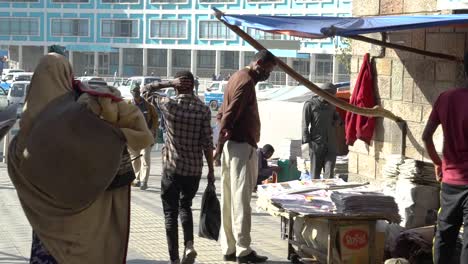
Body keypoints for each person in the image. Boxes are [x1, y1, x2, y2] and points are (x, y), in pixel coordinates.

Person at [7, 53, 153, 263]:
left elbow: (17, 170)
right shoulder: (84, 115)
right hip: (84, 228)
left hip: (45, 230)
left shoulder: (22, 140)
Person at [142, 71, 214, 264]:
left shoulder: (169, 104)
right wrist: (212, 172)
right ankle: (189, 244)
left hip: (172, 168)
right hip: (194, 170)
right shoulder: (203, 109)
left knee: (169, 213)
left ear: (176, 86)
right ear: (193, 86)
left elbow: (145, 91)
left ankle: (174, 259)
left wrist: (168, 82)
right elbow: (207, 143)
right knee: (186, 206)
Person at [214, 50, 276, 263]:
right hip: (241, 147)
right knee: (241, 200)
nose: (266, 75)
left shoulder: (235, 76)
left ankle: (229, 247)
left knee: (229, 199)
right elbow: (229, 114)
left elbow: (222, 112)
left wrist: (220, 146)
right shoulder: (247, 81)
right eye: (267, 70)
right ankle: (243, 249)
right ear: (259, 63)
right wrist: (219, 145)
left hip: (233, 146)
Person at [422, 53, 468, 264]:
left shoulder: (446, 98)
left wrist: (437, 163)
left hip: (450, 183)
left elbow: (426, 136)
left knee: (444, 235)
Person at [302, 82, 342, 179]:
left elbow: (338, 119)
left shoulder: (332, 105)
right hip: (316, 145)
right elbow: (304, 125)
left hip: (331, 145)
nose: (332, 98)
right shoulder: (310, 104)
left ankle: (329, 193)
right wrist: (307, 143)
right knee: (315, 175)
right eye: (330, 95)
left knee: (329, 175)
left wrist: (338, 121)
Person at [129, 84, 159, 190]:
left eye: (137, 91)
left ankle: (144, 181)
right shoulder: (127, 105)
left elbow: (155, 118)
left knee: (145, 158)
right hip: (132, 136)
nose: (135, 93)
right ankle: (137, 178)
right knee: (135, 159)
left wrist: (153, 131)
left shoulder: (148, 106)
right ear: (131, 93)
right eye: (133, 91)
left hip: (145, 136)